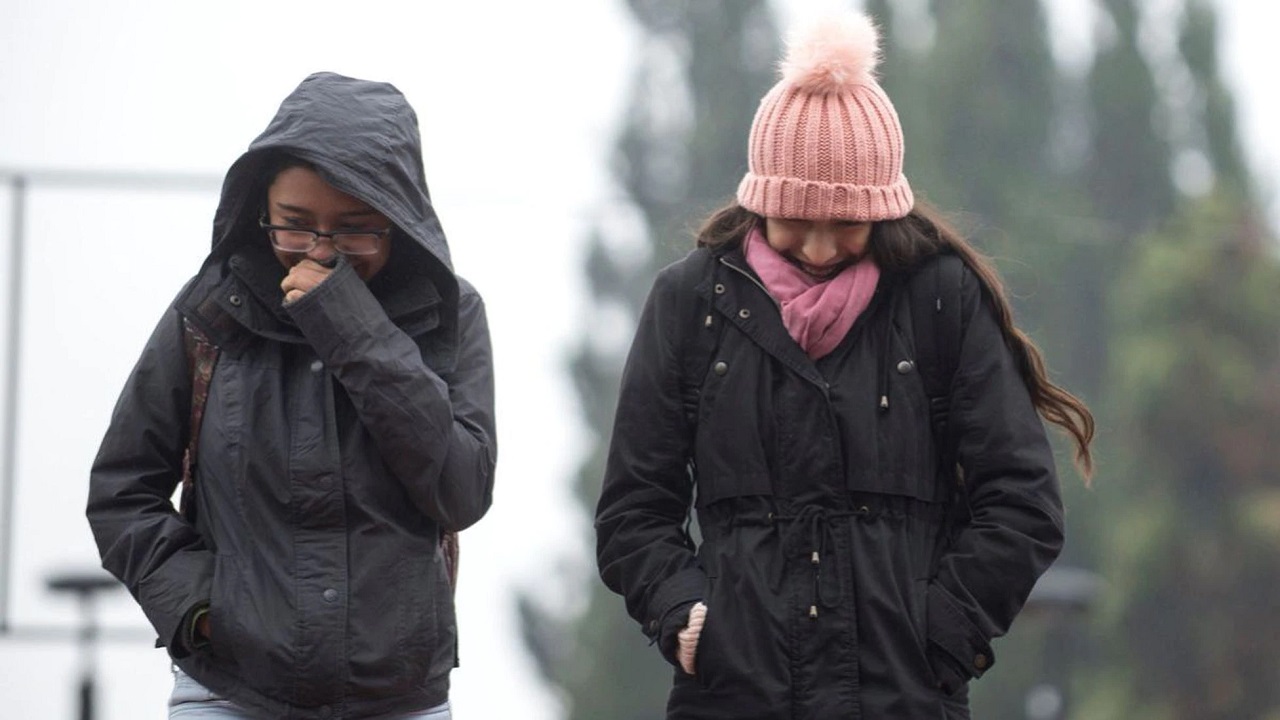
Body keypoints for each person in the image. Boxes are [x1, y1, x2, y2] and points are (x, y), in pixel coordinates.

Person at [594, 12, 1094, 720]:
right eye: (797, 220)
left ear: (885, 210)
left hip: (905, 699)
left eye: (847, 224)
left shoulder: (940, 301)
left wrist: (944, 638)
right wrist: (685, 617)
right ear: (759, 201)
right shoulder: (690, 304)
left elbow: (1021, 501)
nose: (821, 249)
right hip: (734, 700)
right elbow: (633, 513)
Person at [87, 72, 496, 719]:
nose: (321, 251)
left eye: (356, 228)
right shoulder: (207, 311)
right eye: (296, 226)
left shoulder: (451, 314)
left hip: (399, 698)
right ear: (261, 210)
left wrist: (354, 330)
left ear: (399, 215)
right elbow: (121, 491)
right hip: (228, 691)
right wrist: (198, 609)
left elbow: (461, 490)